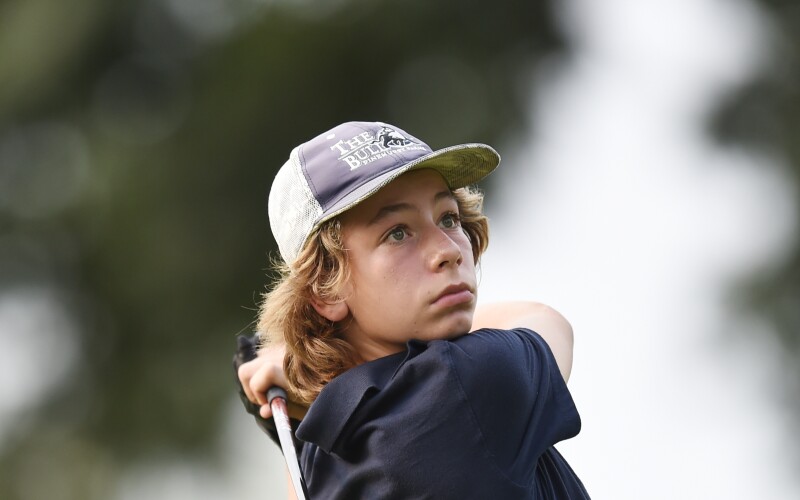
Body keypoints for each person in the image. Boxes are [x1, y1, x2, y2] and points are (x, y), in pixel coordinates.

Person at [234, 121, 590, 499]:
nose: (449, 250)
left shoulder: (322, 452)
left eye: (448, 219)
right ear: (326, 292)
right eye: (397, 233)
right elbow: (543, 320)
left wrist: (308, 378)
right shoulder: (467, 385)